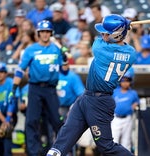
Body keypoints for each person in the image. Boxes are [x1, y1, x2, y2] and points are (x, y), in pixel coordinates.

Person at [46, 14, 137, 156]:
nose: (103, 34)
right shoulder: (131, 54)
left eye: (106, 33)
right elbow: (124, 45)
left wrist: (125, 27)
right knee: (65, 136)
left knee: (106, 146)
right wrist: (125, 29)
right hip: (87, 97)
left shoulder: (100, 49)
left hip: (99, 102)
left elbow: (99, 41)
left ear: (116, 35)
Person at [11, 20, 63, 156]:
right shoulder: (30, 50)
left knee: (57, 121)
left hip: (51, 89)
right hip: (35, 88)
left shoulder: (56, 49)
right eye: (42, 32)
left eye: (47, 32)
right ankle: (33, 153)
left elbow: (66, 59)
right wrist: (14, 87)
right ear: (38, 33)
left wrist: (58, 44)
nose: (45, 34)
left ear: (51, 33)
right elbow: (20, 69)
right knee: (32, 121)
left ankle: (61, 151)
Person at [111, 67, 139, 151]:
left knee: (126, 142)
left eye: (127, 80)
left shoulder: (133, 93)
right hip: (116, 118)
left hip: (127, 119)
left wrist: (135, 104)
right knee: (114, 140)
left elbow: (137, 101)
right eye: (123, 80)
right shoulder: (115, 91)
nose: (125, 83)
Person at [0, 62, 18, 156]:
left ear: (6, 73)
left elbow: (12, 101)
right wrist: (3, 120)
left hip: (11, 114)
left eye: (2, 72)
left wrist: (7, 119)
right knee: (0, 137)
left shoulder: (11, 83)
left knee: (7, 134)